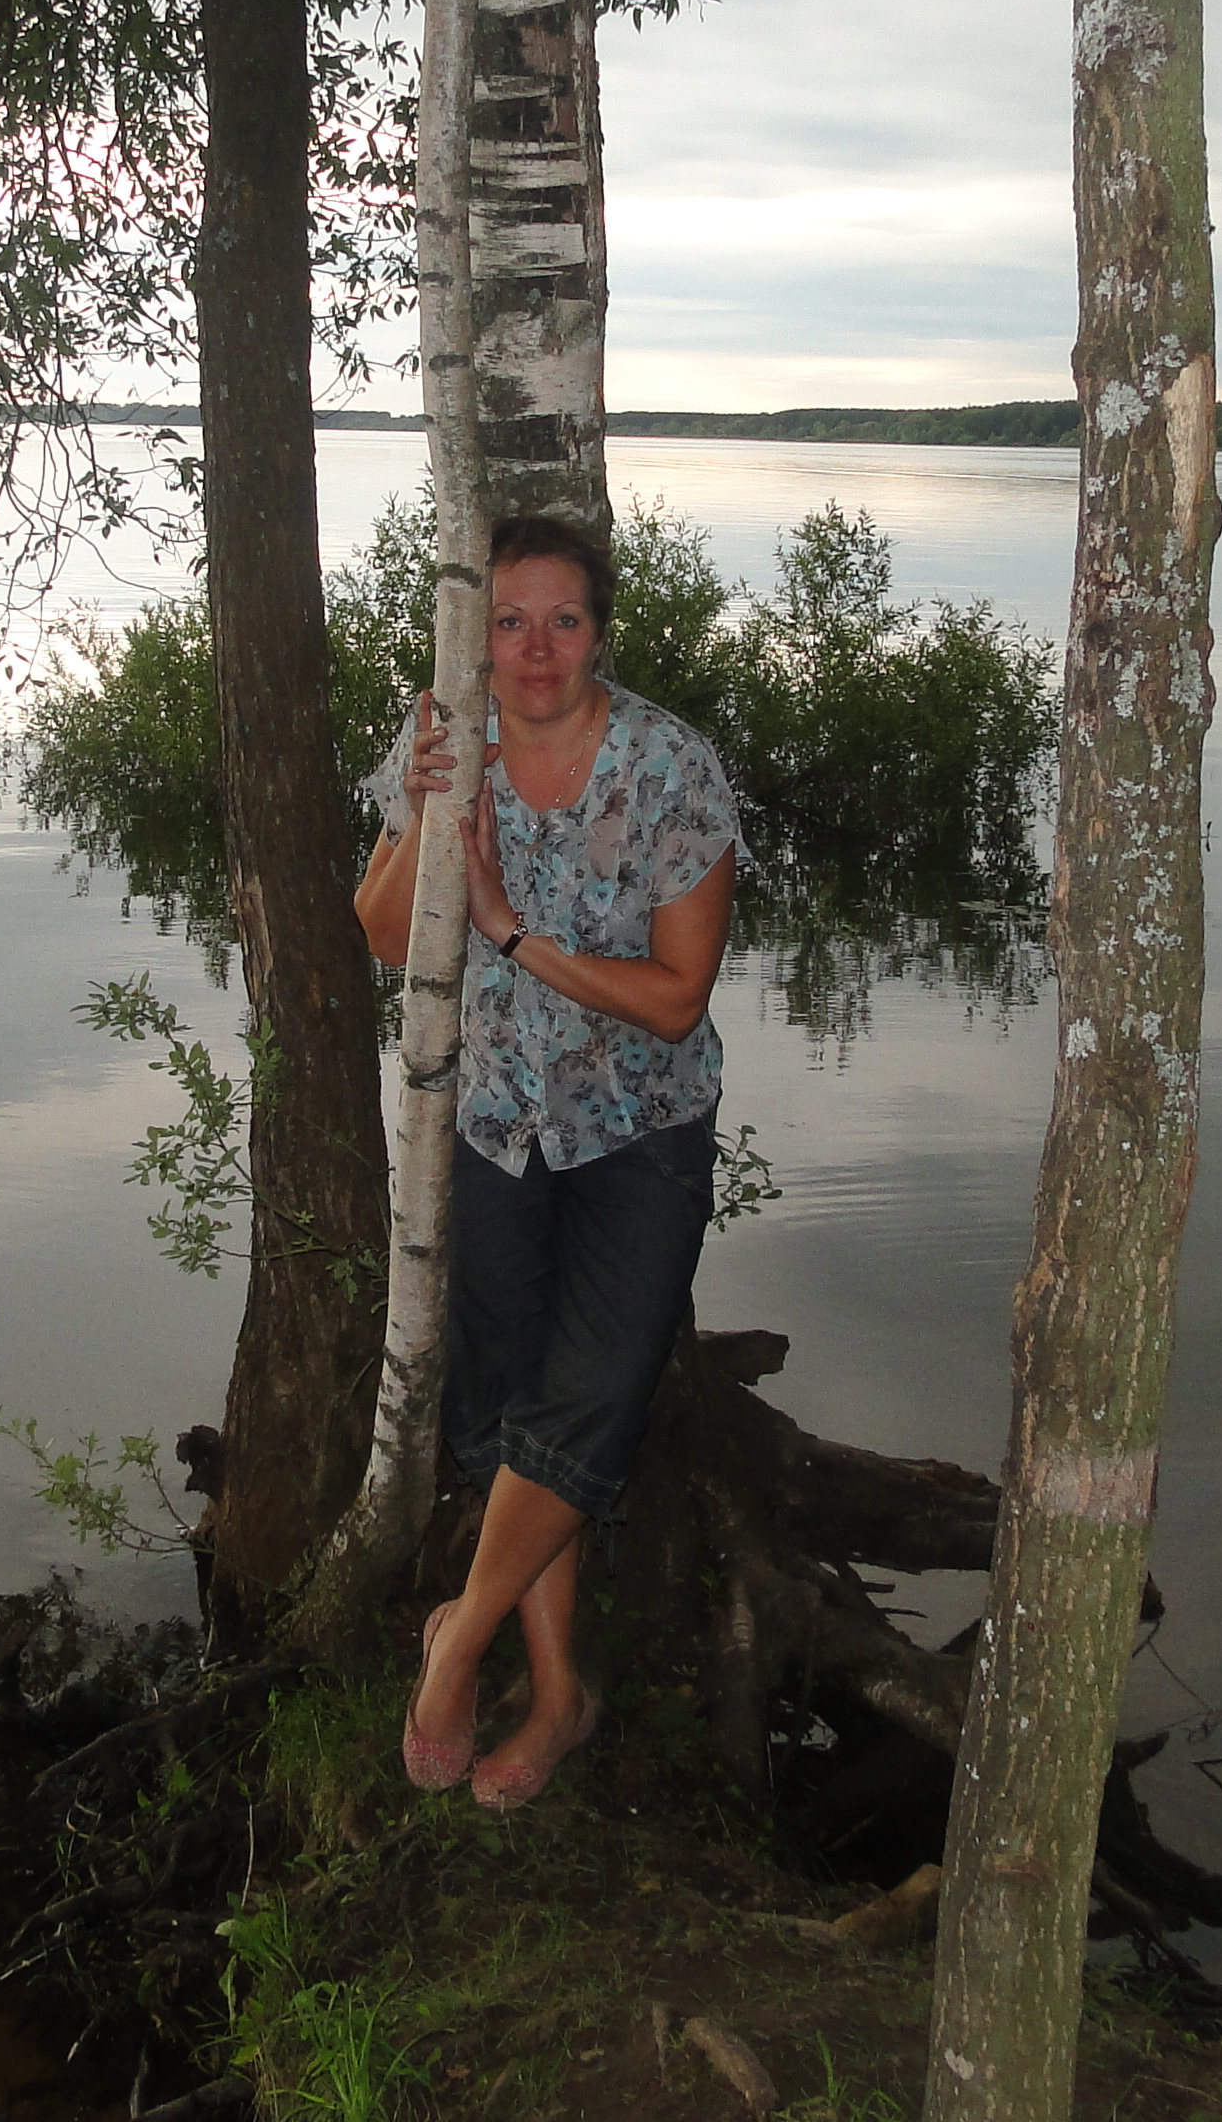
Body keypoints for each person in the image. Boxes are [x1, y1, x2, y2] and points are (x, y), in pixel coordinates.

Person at [352, 512, 741, 1809]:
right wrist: (424, 815)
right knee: (515, 1405)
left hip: (642, 1134)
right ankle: (560, 1693)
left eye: (561, 621)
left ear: (600, 635)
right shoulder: (442, 742)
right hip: (497, 1129)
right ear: (478, 640)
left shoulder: (670, 768)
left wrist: (511, 931)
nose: (533, 650)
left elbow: (677, 999)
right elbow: (384, 935)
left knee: (593, 1398)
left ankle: (458, 1641)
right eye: (509, 622)